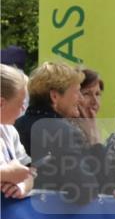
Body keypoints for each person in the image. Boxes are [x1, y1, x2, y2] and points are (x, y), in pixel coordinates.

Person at [14, 62, 102, 204]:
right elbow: (87, 189)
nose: (79, 99)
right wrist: (95, 144)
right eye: (76, 92)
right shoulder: (64, 131)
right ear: (55, 96)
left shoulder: (15, 125)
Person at [1, 64, 33, 199]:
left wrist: (22, 187)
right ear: (1, 103)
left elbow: (31, 172)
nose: (24, 108)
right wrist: (6, 173)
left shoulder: (10, 130)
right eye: (20, 103)